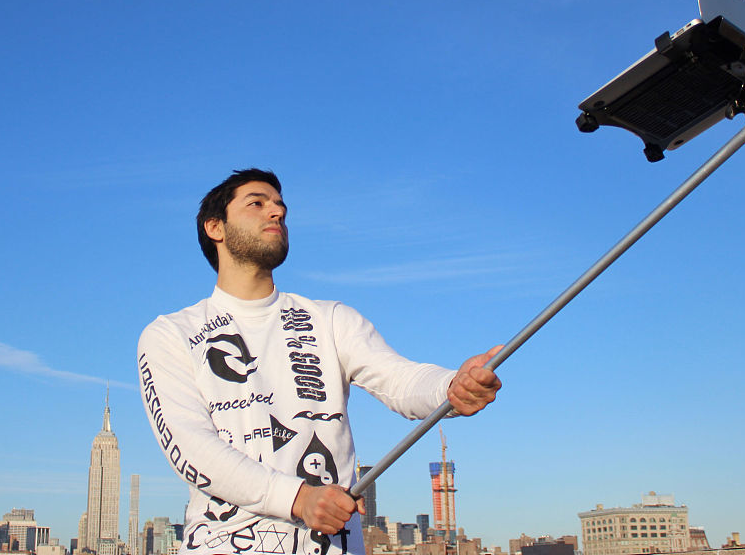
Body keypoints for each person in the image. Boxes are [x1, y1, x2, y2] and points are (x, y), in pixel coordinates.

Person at [137, 168, 501, 555]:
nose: (275, 213)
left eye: (281, 207)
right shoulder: (171, 334)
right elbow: (190, 448)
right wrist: (298, 499)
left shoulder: (330, 319)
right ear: (216, 227)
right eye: (256, 204)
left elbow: (399, 379)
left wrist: (450, 387)